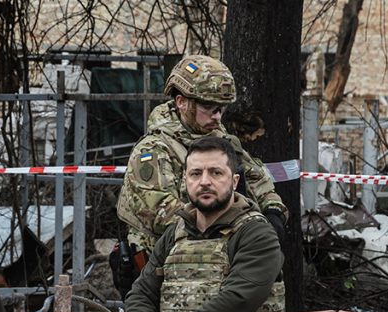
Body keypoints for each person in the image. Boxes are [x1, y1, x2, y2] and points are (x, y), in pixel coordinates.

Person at [116, 55, 287, 269]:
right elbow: (159, 213)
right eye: (209, 108)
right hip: (168, 263)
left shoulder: (222, 140)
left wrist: (273, 210)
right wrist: (230, 224)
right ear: (182, 102)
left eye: (221, 109)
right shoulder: (154, 150)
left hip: (221, 257)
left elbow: (256, 178)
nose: (217, 117)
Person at [124, 136, 284, 312]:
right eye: (196, 174)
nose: (205, 181)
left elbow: (239, 301)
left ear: (235, 181)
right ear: (185, 181)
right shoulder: (175, 233)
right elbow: (141, 294)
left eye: (216, 173)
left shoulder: (256, 233)